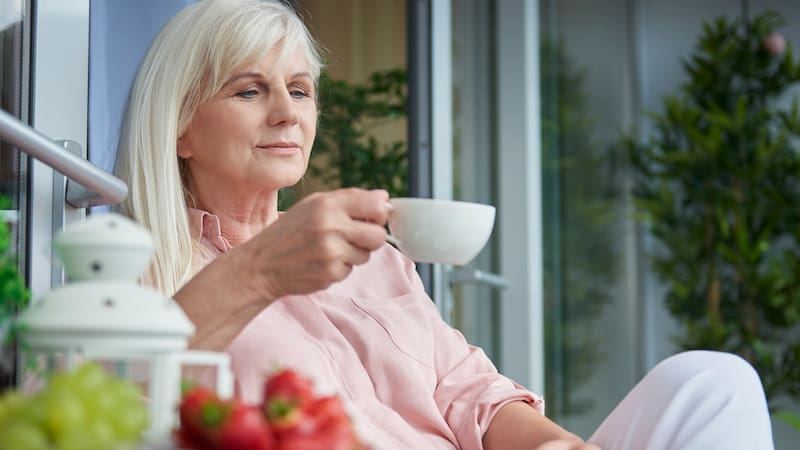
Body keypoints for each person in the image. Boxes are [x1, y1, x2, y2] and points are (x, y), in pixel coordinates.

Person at [114, 1, 775, 449]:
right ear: (179, 127)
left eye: (302, 89)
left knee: (713, 380)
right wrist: (260, 269)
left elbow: (466, 390)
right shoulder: (139, 274)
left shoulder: (370, 256)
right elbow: (115, 399)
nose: (289, 113)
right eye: (250, 90)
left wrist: (553, 444)